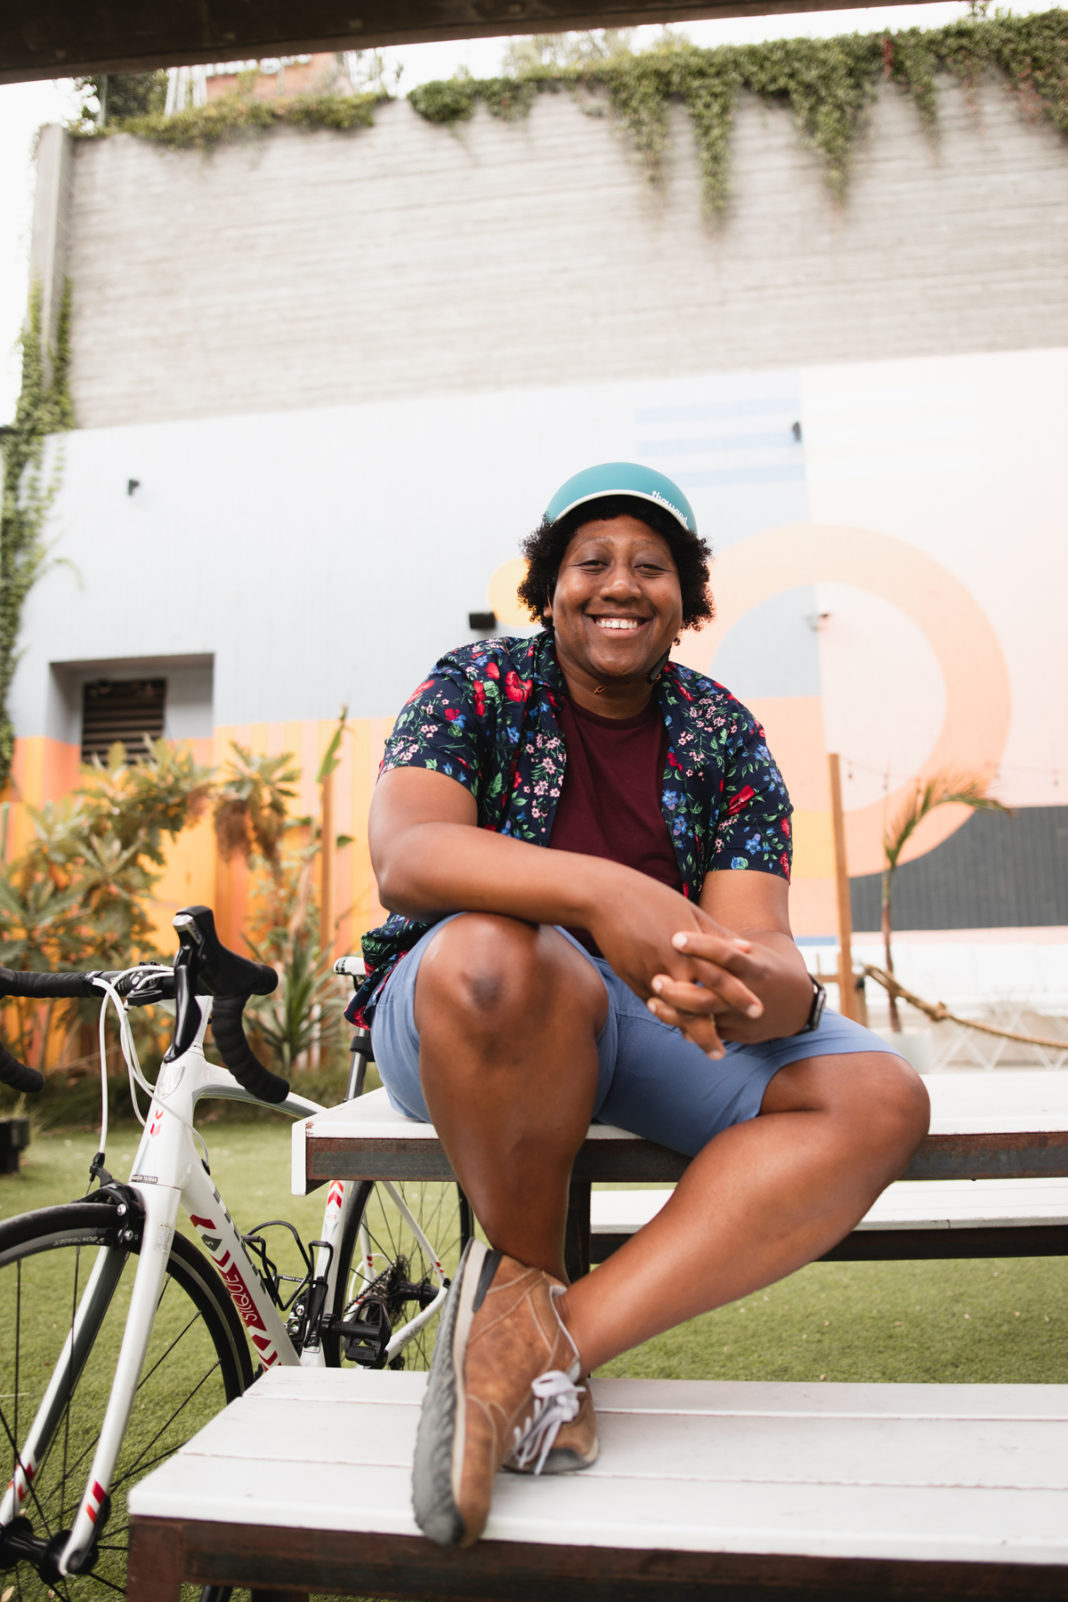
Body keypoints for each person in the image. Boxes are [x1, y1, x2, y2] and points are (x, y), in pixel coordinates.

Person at [349, 462, 930, 1548]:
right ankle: (529, 1286)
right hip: (469, 1009)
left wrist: (766, 989)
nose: (621, 584)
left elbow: (759, 941)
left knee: (878, 1097)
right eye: (592, 562)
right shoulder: (475, 685)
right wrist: (605, 892)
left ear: (686, 597)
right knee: (501, 956)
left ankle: (539, 1345)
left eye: (652, 566)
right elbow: (410, 855)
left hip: (648, 1020)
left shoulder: (724, 732)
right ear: (549, 587)